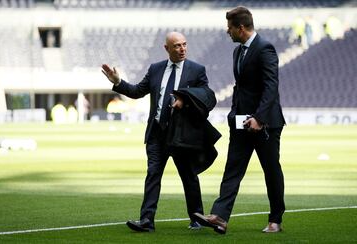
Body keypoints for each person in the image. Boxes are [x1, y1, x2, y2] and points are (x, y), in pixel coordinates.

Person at [102, 31, 212, 232]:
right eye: (177, 46)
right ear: (166, 48)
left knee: (188, 176)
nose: (182, 49)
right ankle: (146, 221)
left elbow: (206, 96)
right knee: (153, 175)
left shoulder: (197, 70)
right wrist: (118, 82)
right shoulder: (155, 69)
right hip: (157, 134)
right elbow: (136, 91)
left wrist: (185, 100)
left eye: (184, 45)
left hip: (181, 135)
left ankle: (196, 218)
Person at [194, 6, 286, 234]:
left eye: (230, 28)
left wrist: (259, 118)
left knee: (271, 170)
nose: (228, 32)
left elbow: (271, 87)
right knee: (232, 169)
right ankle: (220, 217)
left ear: (241, 28)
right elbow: (241, 88)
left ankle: (276, 220)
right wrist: (234, 114)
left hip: (264, 125)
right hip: (241, 123)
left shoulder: (265, 48)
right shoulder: (238, 52)